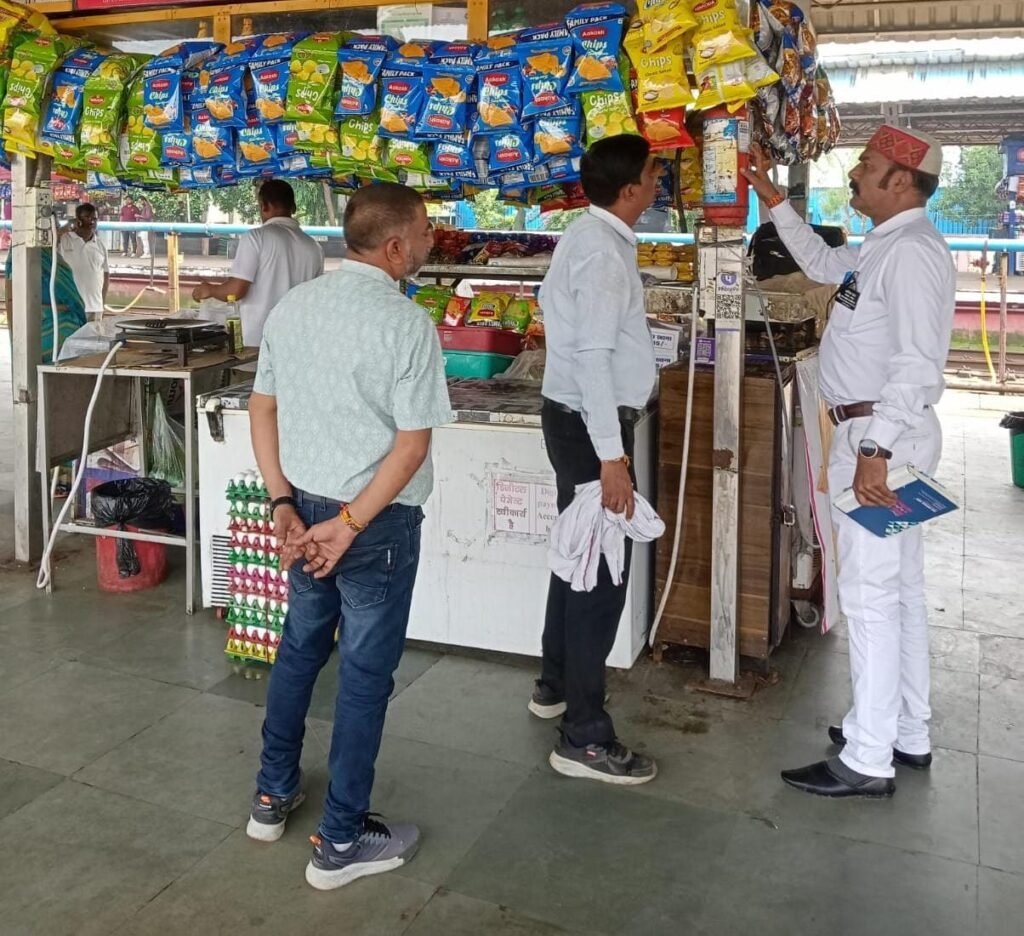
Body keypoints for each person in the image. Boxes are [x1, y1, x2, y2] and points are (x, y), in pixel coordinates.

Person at [245, 182, 451, 891]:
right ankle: (339, 840)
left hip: (305, 514)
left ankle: (272, 797)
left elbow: (262, 406)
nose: (432, 239)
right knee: (363, 678)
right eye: (425, 230)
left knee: (299, 649)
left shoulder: (295, 306)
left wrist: (282, 503)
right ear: (395, 247)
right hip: (375, 525)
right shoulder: (406, 325)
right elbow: (411, 448)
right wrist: (352, 524)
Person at [741, 125, 956, 798]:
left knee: (869, 597)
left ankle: (868, 757)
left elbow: (918, 364)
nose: (856, 172)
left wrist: (874, 450)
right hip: (879, 436)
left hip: (880, 441)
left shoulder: (914, 253)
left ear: (901, 181)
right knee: (899, 593)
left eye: (868, 165)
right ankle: (904, 730)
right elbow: (826, 267)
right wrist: (774, 200)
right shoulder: (883, 246)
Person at [529, 134, 660, 786]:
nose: (658, 182)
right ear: (631, 187)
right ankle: (582, 735)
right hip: (590, 430)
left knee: (575, 558)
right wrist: (613, 458)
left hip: (572, 419)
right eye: (654, 172)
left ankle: (554, 681)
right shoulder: (604, 254)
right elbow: (594, 360)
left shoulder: (586, 237)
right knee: (598, 576)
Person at [191, 179, 323, 347]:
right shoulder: (314, 247)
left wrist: (209, 289)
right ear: (293, 208)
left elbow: (235, 291)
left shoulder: (255, 238)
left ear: (264, 206)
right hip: (295, 344)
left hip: (256, 343)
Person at [4, 246, 87, 362]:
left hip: (61, 330)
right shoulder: (21, 256)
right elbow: (13, 300)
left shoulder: (52, 257)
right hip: (41, 329)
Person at [58, 203, 108, 321]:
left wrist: (102, 303)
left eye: (94, 219)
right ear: (78, 220)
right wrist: (66, 227)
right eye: (87, 217)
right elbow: (50, 241)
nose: (92, 222)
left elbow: (106, 276)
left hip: (94, 307)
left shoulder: (100, 244)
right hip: (71, 307)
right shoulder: (65, 240)